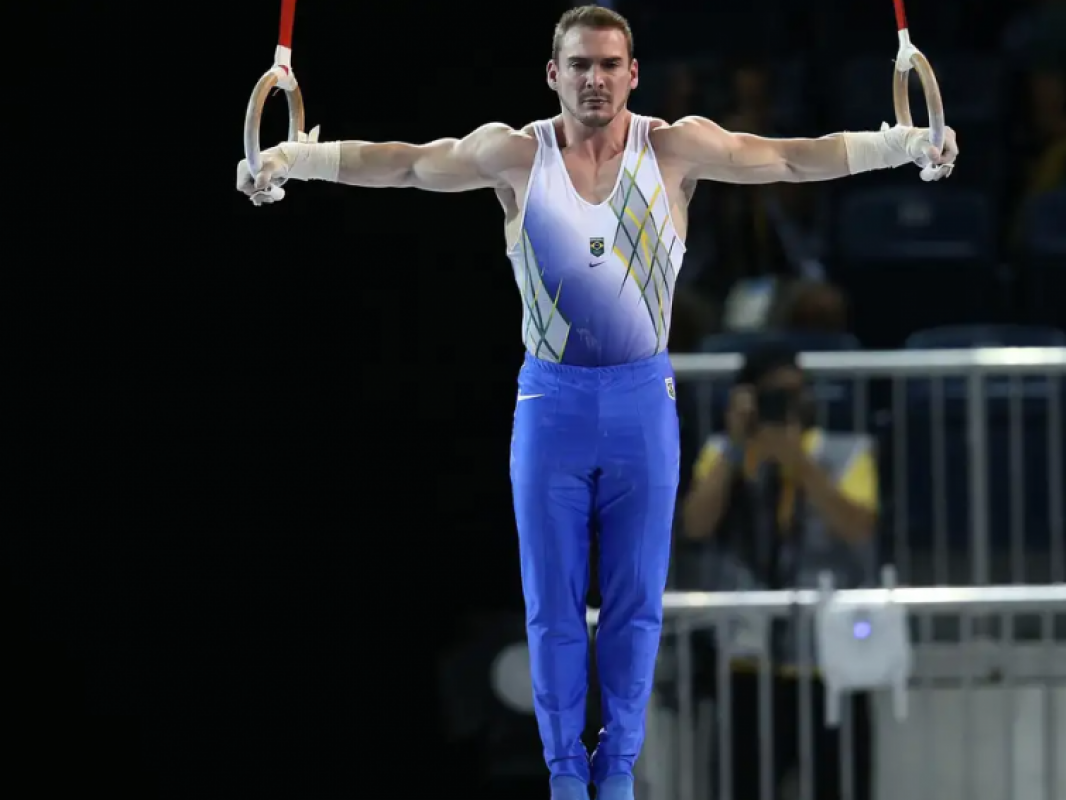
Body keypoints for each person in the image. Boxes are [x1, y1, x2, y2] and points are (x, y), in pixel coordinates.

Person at [234, 7, 957, 798]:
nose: (595, 79)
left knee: (635, 606)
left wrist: (903, 143)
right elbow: (406, 165)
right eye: (579, 65)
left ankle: (616, 772)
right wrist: (293, 161)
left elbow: (785, 161)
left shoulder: (674, 149)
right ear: (553, 74)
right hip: (551, 405)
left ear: (633, 73)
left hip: (644, 403)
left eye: (610, 64)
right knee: (551, 607)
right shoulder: (513, 155)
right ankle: (565, 777)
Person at [678, 346, 878, 799]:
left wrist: (800, 464)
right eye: (772, 395)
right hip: (748, 660)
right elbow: (696, 524)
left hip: (830, 660)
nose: (787, 404)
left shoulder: (846, 452)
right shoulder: (722, 454)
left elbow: (858, 529)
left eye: (794, 393)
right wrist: (734, 447)